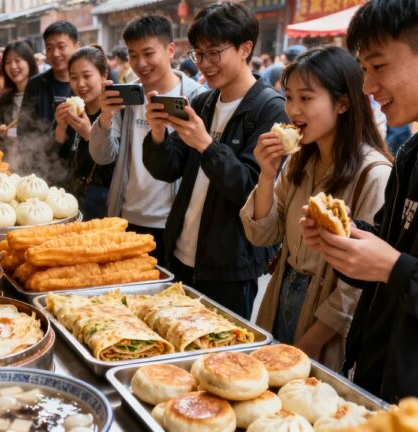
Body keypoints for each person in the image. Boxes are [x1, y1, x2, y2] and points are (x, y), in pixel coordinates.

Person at [240, 46, 392, 369]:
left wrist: (312, 340)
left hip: (326, 317)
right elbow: (263, 234)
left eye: (306, 99)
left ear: (342, 103)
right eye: (289, 97)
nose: (293, 110)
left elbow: (356, 286)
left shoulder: (374, 175)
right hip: (281, 292)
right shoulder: (298, 159)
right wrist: (266, 175)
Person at [299, 0, 418, 403]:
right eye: (364, 70)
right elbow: (389, 250)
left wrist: (394, 269)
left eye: (379, 67)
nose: (367, 87)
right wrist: (347, 238)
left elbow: (395, 265)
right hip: (380, 382)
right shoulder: (411, 155)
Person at [141, 2, 289, 319]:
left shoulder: (271, 109)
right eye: (199, 53)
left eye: (214, 53)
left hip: (229, 270)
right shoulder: (203, 102)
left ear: (245, 48)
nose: (205, 63)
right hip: (180, 255)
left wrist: (206, 144)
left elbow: (251, 190)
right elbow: (168, 169)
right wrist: (157, 134)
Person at [89, 15, 205, 264]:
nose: (140, 63)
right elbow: (102, 155)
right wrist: (105, 117)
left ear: (171, 49)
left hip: (177, 225)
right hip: (127, 218)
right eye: (133, 55)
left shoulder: (198, 97)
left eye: (148, 53)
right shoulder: (128, 97)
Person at [55, 46, 114, 220]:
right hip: (68, 203)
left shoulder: (114, 114)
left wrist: (90, 135)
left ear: (104, 75)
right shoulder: (70, 110)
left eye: (87, 76)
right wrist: (60, 127)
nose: (80, 84)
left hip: (99, 210)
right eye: (73, 78)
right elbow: (55, 163)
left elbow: (115, 171)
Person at [18, 21, 80, 177]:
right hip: (41, 168)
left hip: (77, 169)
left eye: (61, 46)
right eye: (49, 48)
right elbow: (24, 130)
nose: (55, 53)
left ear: (76, 46)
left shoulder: (85, 85)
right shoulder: (36, 83)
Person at [0, 40, 39, 172]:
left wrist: (14, 133)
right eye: (8, 62)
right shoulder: (6, 97)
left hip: (36, 164)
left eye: (18, 60)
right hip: (10, 162)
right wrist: (1, 132)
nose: (13, 66)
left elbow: (43, 132)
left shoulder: (39, 94)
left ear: (29, 62)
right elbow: (1, 128)